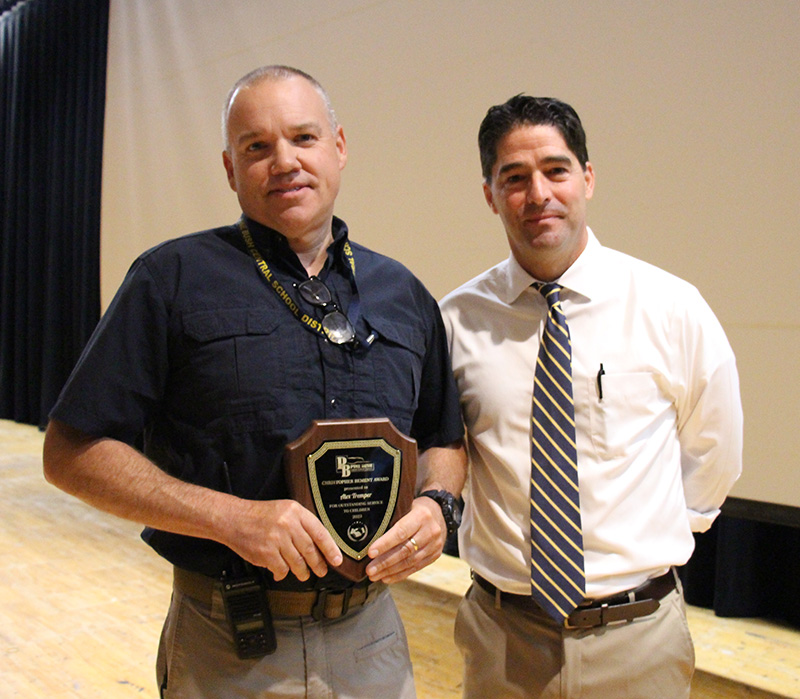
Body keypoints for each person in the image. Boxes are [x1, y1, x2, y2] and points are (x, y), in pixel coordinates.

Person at [43, 65, 466, 699]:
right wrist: (229, 518)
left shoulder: (403, 294)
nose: (285, 161)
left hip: (373, 639)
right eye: (257, 147)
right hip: (228, 645)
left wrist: (438, 506)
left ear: (339, 146)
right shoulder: (171, 279)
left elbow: (443, 437)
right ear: (229, 168)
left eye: (304, 138)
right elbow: (70, 453)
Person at [439, 95, 743, 698]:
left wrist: (648, 542)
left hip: (639, 641)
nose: (539, 194)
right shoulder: (456, 321)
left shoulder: (669, 306)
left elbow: (715, 448)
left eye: (556, 170)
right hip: (504, 638)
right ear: (489, 195)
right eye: (514, 178)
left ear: (588, 178)